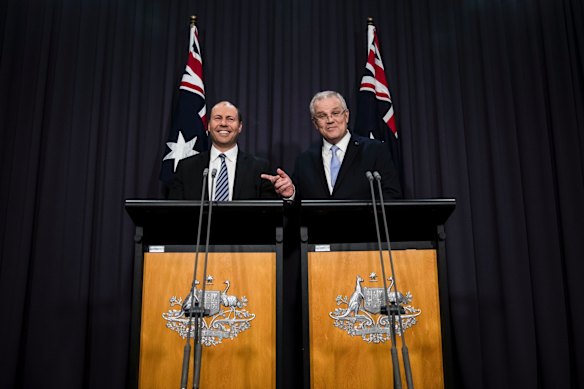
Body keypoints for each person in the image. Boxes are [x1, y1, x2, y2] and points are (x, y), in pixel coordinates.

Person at [265, 90, 402, 200]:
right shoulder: (305, 161)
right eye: (322, 116)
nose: (330, 120)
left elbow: (391, 195)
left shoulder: (374, 150)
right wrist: (291, 193)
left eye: (335, 113)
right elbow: (299, 208)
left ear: (346, 116)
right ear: (315, 123)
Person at [168, 101, 294, 200]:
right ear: (209, 126)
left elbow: (270, 215)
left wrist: (287, 196)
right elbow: (173, 213)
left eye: (230, 119)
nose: (223, 123)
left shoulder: (259, 168)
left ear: (239, 127)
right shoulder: (186, 168)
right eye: (217, 118)